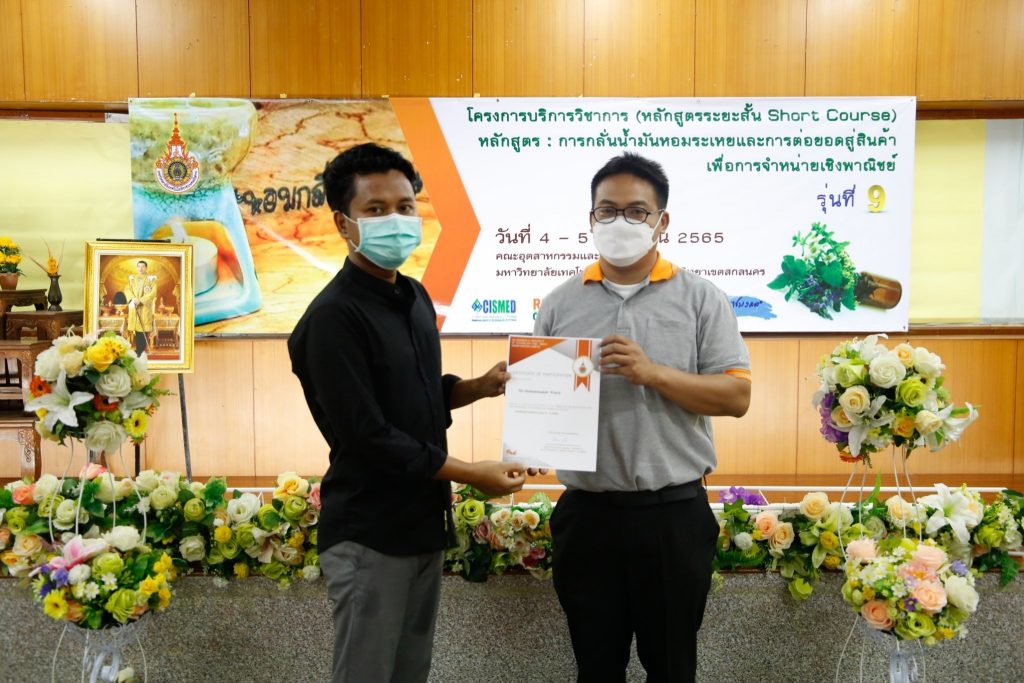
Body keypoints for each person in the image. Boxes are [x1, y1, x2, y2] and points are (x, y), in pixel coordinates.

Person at [288, 142, 527, 683]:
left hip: (421, 523)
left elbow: (416, 396)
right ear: (344, 223)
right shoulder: (332, 318)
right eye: (375, 209)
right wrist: (471, 473)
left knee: (410, 672)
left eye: (404, 206)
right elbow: (369, 435)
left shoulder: (415, 297)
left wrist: (478, 387)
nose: (395, 220)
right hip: (370, 530)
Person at [534, 152, 752, 682]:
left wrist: (652, 373)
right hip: (587, 518)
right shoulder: (559, 303)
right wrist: (531, 433)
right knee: (595, 670)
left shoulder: (701, 298)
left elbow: (736, 396)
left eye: (636, 211)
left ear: (661, 221)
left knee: (673, 668)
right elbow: (544, 405)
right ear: (590, 219)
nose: (620, 222)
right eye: (607, 211)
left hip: (671, 517)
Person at [126, 259, 156, 354]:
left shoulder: (151, 279)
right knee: (137, 328)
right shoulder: (132, 279)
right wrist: (133, 298)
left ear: (146, 268)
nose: (140, 268)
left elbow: (152, 293)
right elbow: (127, 290)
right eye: (139, 266)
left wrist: (141, 300)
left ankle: (141, 350)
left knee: (143, 327)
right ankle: (139, 349)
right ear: (137, 268)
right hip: (134, 305)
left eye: (143, 266)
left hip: (144, 307)